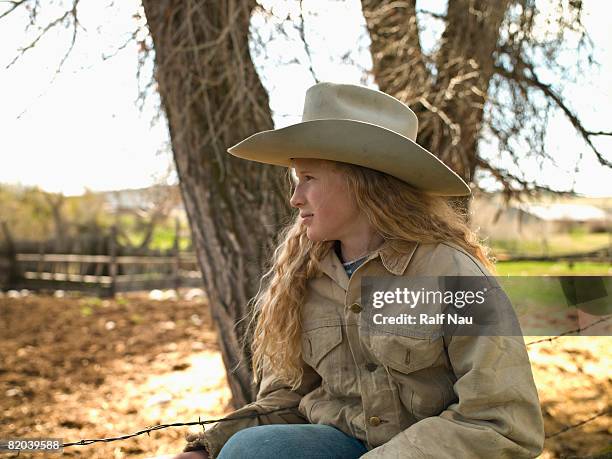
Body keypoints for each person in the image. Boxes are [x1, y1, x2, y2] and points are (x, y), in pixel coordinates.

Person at [172, 82, 544, 459]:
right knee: (256, 448)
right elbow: (290, 400)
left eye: (309, 178)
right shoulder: (303, 277)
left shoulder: (451, 273)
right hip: (340, 446)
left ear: (363, 181)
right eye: (296, 179)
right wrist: (208, 448)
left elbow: (503, 423)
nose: (294, 197)